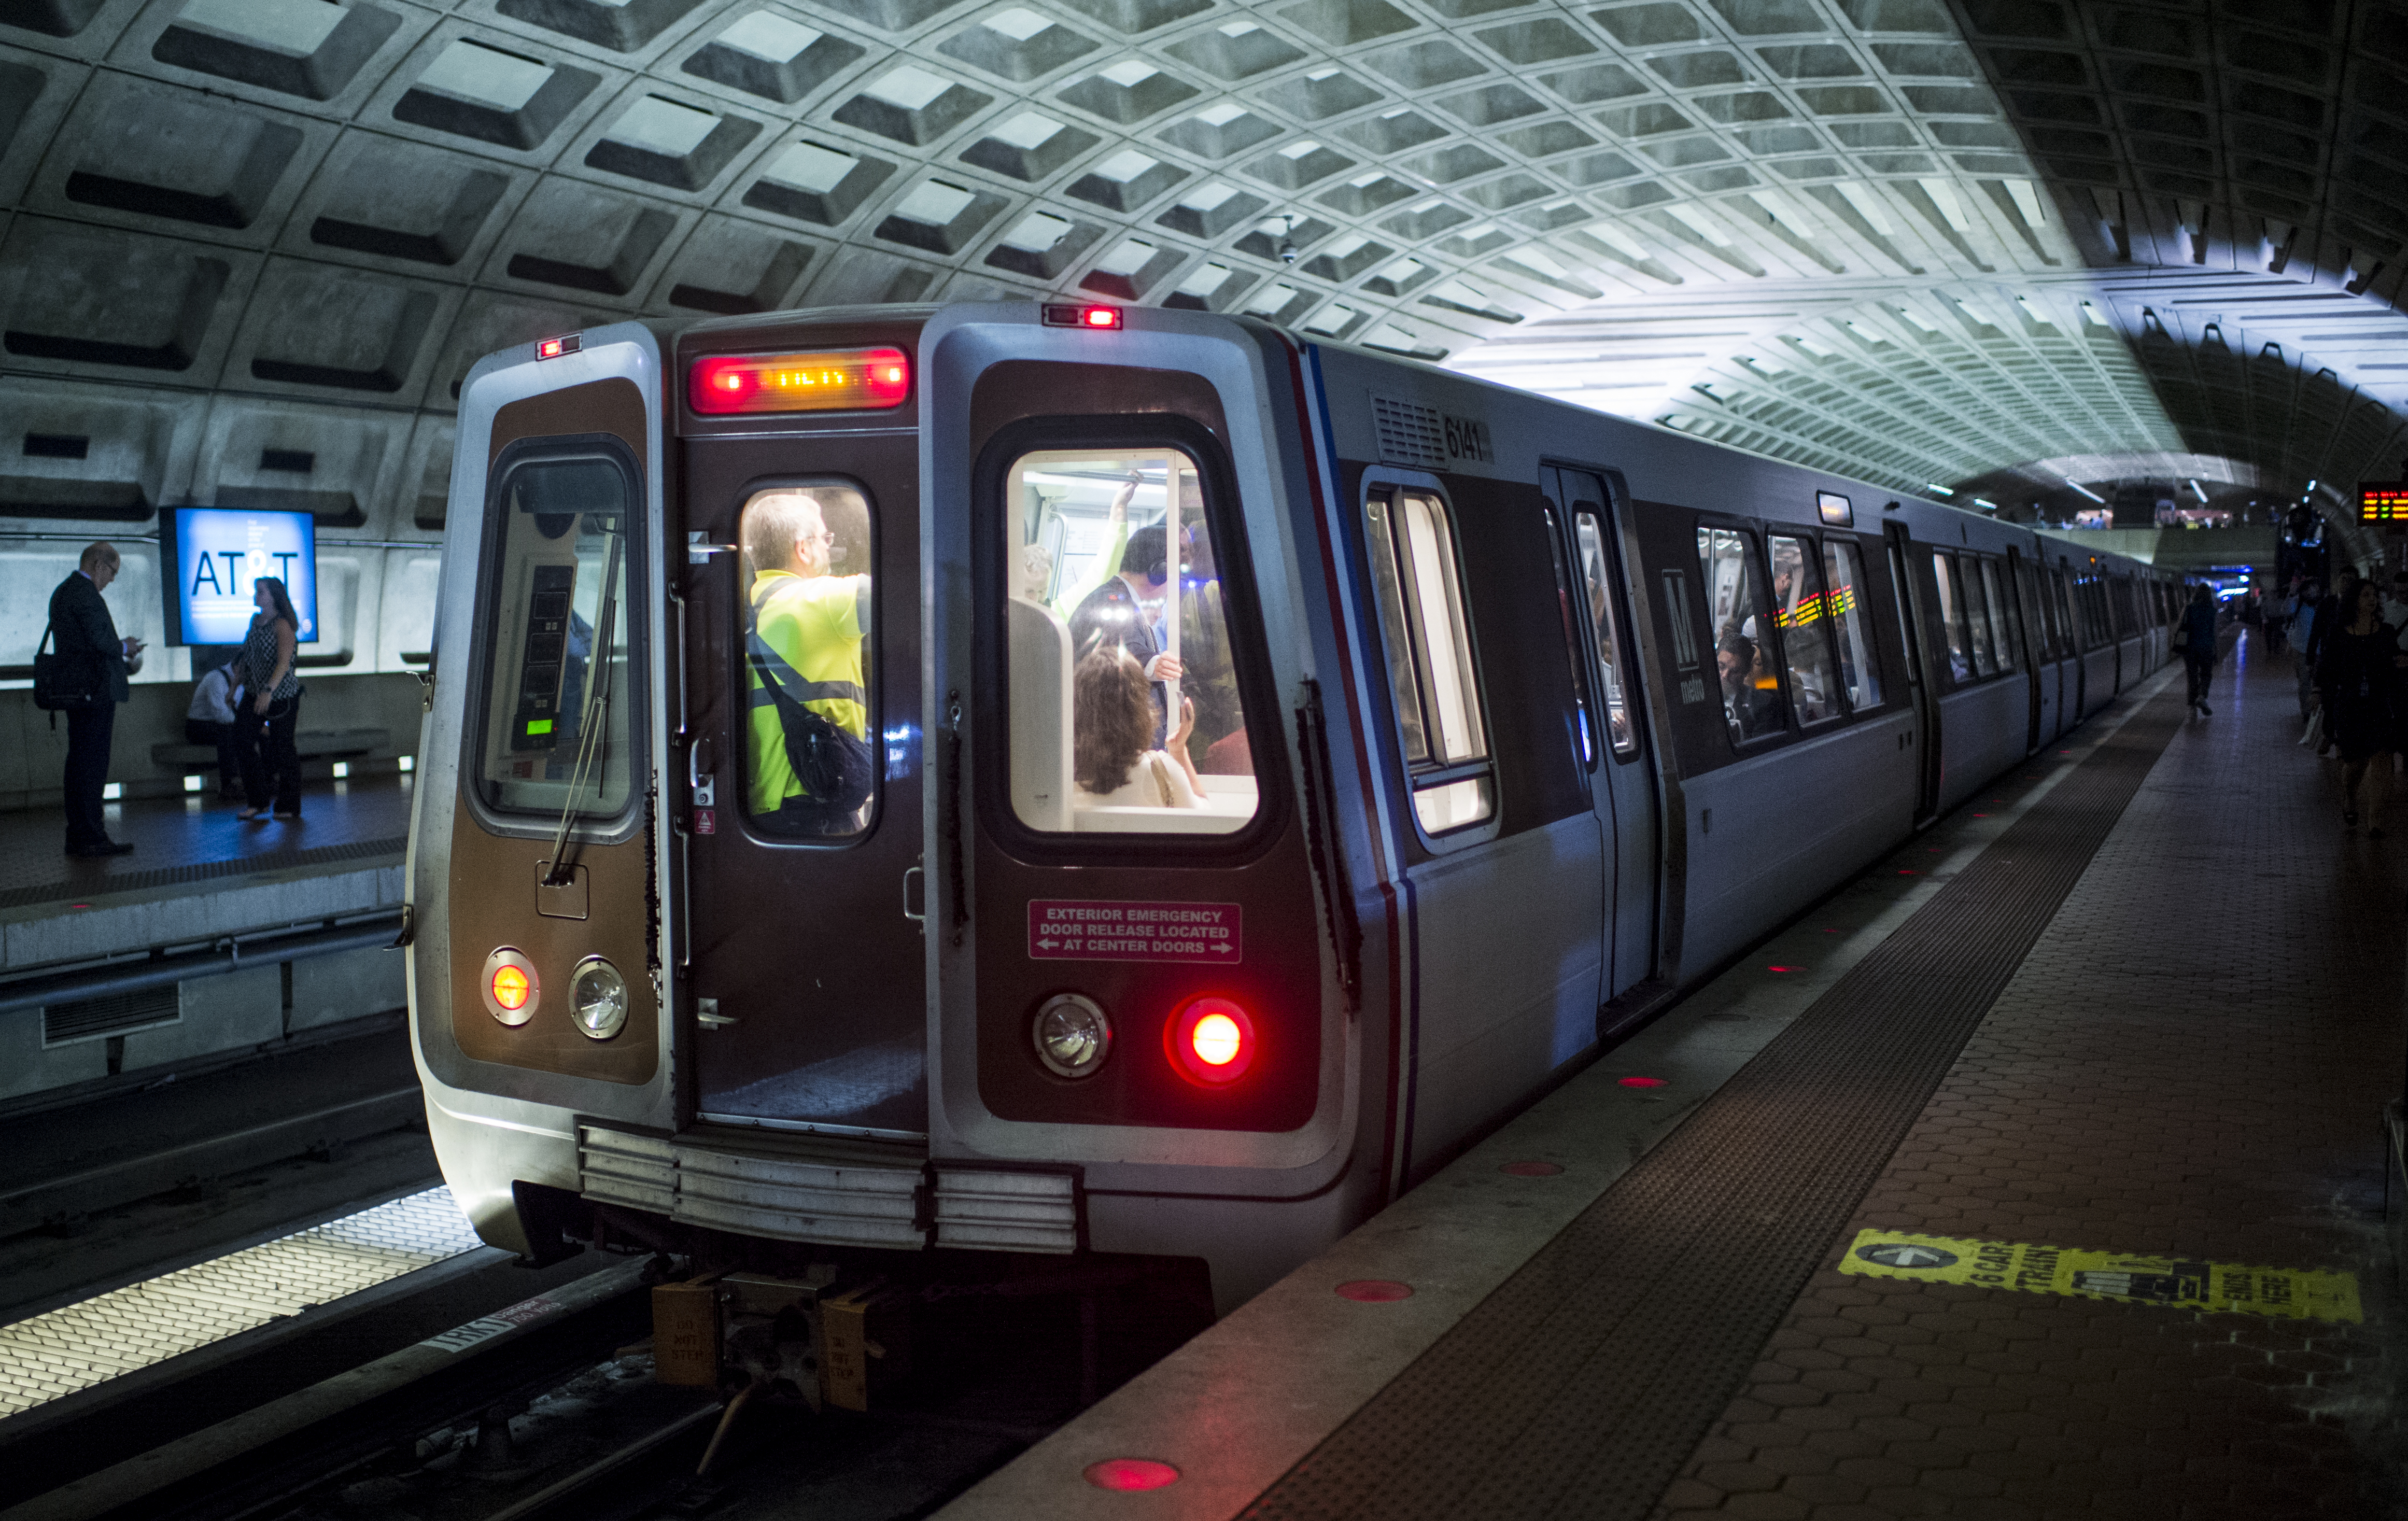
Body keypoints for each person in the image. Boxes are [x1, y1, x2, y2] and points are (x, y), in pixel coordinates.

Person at [743, 490, 872, 833]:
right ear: (803, 548)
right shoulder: (824, 599)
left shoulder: (740, 612)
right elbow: (910, 591)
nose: (829, 547)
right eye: (825, 537)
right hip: (816, 807)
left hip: (757, 812)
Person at [48, 542, 141, 856]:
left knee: (79, 762)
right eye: (112, 572)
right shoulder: (85, 594)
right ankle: (91, 835)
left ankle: (79, 833)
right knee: (91, 764)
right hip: (94, 690)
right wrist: (126, 646)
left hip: (78, 690)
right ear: (98, 564)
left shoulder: (64, 591)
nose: (112, 580)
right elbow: (101, 642)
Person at [1068, 523, 1185, 743]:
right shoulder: (1113, 601)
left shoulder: (1119, 598)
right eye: (1174, 570)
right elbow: (1122, 647)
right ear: (1159, 572)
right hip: (1110, 741)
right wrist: (1154, 664)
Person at [2313, 581, 2404, 834]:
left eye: (2375, 595)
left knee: (2383, 757)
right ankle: (2350, 796)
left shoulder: (2386, 632)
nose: (2372, 600)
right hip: (2350, 706)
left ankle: (2375, 820)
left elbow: (2393, 666)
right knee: (2356, 763)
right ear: (2354, 600)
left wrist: (2400, 664)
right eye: (2366, 595)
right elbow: (2328, 667)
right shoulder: (2339, 633)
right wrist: (2318, 691)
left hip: (2378, 705)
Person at [1071, 651, 1206, 811]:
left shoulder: (1059, 777)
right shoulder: (1160, 771)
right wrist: (1179, 750)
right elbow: (1205, 819)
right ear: (1139, 708)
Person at [231, 577, 304, 821]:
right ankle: (258, 801)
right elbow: (247, 656)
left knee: (283, 748)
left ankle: (289, 804)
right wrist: (234, 687)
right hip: (254, 692)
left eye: (261, 591)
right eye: (256, 591)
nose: (256, 595)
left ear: (274, 596)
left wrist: (268, 690)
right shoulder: (256, 621)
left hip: (281, 695)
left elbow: (284, 662)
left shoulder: (282, 625)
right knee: (242, 741)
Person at [186, 656, 247, 800]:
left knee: (257, 732)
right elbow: (222, 716)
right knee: (227, 733)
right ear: (238, 668)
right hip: (199, 726)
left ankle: (269, 779)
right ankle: (228, 785)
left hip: (224, 724)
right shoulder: (216, 679)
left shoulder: (243, 684)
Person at [2179, 582, 2219, 716]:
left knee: (2192, 676)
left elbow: (2180, 625)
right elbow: (2215, 632)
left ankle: (2192, 708)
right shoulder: (2212, 611)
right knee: (2206, 674)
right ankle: (2202, 697)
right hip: (2207, 647)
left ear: (2196, 594)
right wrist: (2216, 650)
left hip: (2190, 648)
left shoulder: (2189, 608)